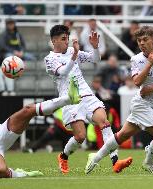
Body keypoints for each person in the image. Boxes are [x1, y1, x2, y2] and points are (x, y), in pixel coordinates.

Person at [85, 26, 153, 174]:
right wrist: (150, 64)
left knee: (121, 135)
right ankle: (149, 162)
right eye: (139, 40)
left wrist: (152, 88)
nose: (142, 43)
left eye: (145, 39)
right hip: (141, 103)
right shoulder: (136, 59)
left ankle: (95, 157)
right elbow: (138, 82)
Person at [44, 25, 131, 174]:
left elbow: (95, 59)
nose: (67, 42)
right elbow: (63, 73)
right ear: (54, 41)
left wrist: (95, 47)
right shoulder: (50, 59)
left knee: (104, 122)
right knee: (80, 137)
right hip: (70, 100)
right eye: (63, 39)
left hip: (87, 95)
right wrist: (75, 55)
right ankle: (63, 156)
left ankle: (115, 161)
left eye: (67, 38)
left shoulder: (72, 51)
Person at [0, 77, 80, 178]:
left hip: (0, 131)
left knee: (27, 110)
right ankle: (21, 174)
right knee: (1, 170)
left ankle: (69, 98)